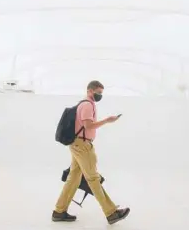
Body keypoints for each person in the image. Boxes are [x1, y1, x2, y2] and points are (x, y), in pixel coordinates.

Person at [52, 80, 130, 225]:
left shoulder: (84, 104)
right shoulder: (87, 104)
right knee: (93, 179)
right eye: (98, 92)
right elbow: (88, 125)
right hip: (82, 145)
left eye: (101, 93)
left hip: (77, 144)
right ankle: (111, 213)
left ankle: (59, 211)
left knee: (73, 179)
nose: (100, 95)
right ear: (90, 91)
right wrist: (107, 120)